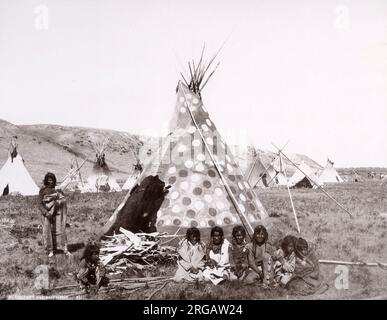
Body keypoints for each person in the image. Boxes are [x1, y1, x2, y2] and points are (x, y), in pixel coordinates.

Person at [38, 172, 70, 257]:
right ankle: (50, 250)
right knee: (47, 232)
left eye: (52, 180)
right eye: (49, 180)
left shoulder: (57, 190)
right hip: (47, 214)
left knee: (59, 230)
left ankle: (61, 247)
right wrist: (46, 212)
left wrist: (57, 201)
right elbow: (40, 204)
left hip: (57, 214)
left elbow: (63, 200)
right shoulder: (42, 191)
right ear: (46, 181)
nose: (50, 182)